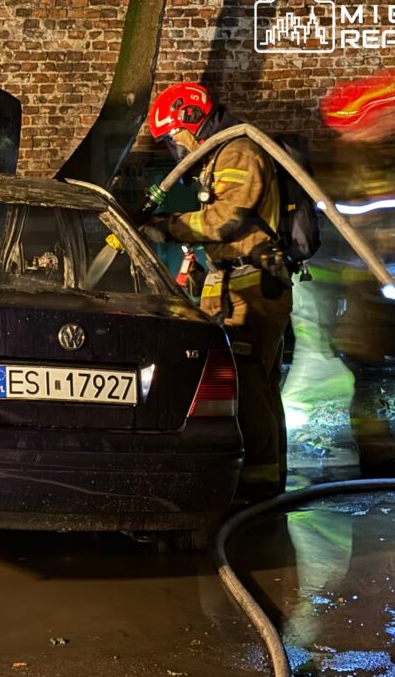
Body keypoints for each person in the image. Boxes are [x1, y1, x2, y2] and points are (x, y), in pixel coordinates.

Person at [142, 82, 292, 499]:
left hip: (251, 286)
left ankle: (258, 490)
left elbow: (227, 221)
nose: (175, 147)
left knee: (248, 387)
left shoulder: (238, 151)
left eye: (174, 136)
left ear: (191, 121)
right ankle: (262, 479)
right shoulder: (219, 156)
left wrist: (167, 227)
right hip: (234, 281)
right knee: (254, 385)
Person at [283, 70, 395, 475]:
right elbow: (347, 226)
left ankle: (377, 453)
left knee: (362, 376)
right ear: (365, 119)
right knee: (331, 373)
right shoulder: (345, 162)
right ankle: (281, 446)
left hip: (359, 290)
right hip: (333, 290)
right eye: (388, 113)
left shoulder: (380, 158)